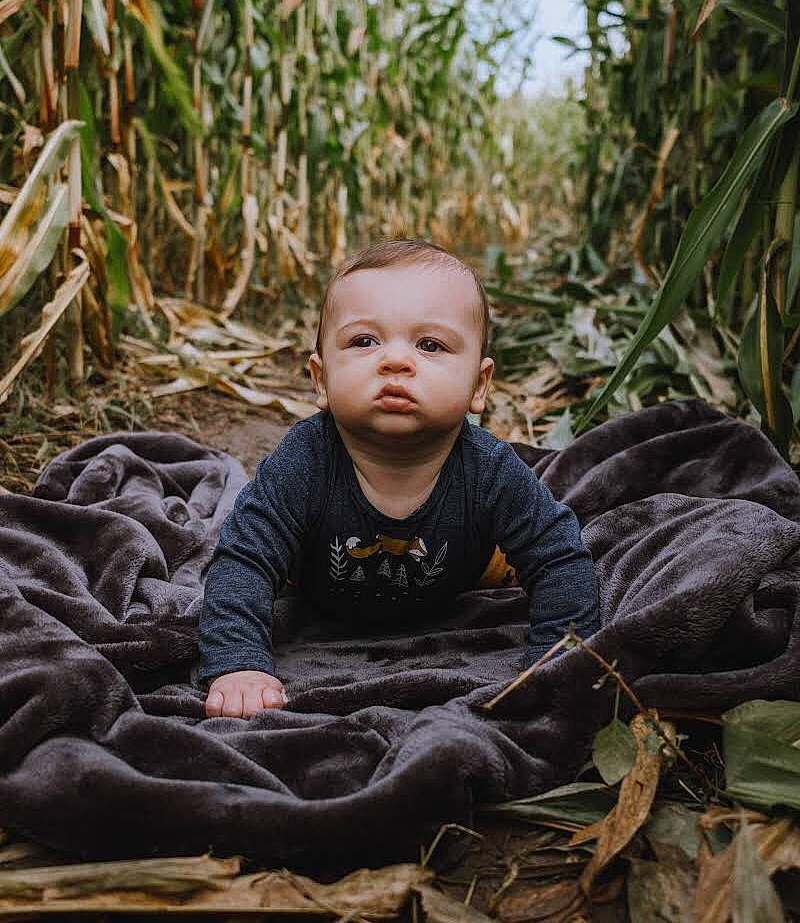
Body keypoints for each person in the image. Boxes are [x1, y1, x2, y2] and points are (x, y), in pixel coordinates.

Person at [198, 238, 599, 718]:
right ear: (321, 380)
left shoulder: (491, 472)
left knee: (519, 552)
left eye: (430, 345)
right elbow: (242, 561)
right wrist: (238, 663)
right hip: (316, 589)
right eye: (364, 341)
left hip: (456, 579)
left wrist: (557, 663)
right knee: (260, 545)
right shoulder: (302, 463)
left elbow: (560, 559)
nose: (395, 361)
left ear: (479, 385)